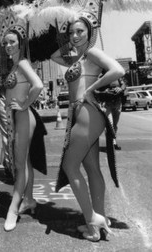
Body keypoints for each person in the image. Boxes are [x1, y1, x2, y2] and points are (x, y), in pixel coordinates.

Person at [51, 14, 124, 241]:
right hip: (80, 114)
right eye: (71, 32)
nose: (74, 36)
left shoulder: (91, 53)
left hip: (87, 113)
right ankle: (98, 219)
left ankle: (93, 220)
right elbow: (54, 55)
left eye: (80, 31)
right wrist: (70, 36)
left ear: (90, 33)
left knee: (69, 166)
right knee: (91, 167)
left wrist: (90, 88)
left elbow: (117, 70)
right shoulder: (77, 58)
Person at [0, 26, 47, 232]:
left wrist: (24, 105)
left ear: (20, 43)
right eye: (6, 43)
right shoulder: (14, 66)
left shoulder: (23, 63)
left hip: (24, 117)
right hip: (16, 118)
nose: (8, 46)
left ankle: (13, 208)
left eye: (12, 42)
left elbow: (37, 85)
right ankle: (29, 200)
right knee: (24, 162)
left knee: (18, 165)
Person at [100, 78, 126, 150]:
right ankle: (110, 143)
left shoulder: (117, 76)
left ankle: (114, 142)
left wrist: (120, 89)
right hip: (107, 103)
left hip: (117, 103)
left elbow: (123, 84)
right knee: (109, 124)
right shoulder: (102, 76)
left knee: (114, 124)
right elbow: (97, 88)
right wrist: (105, 90)